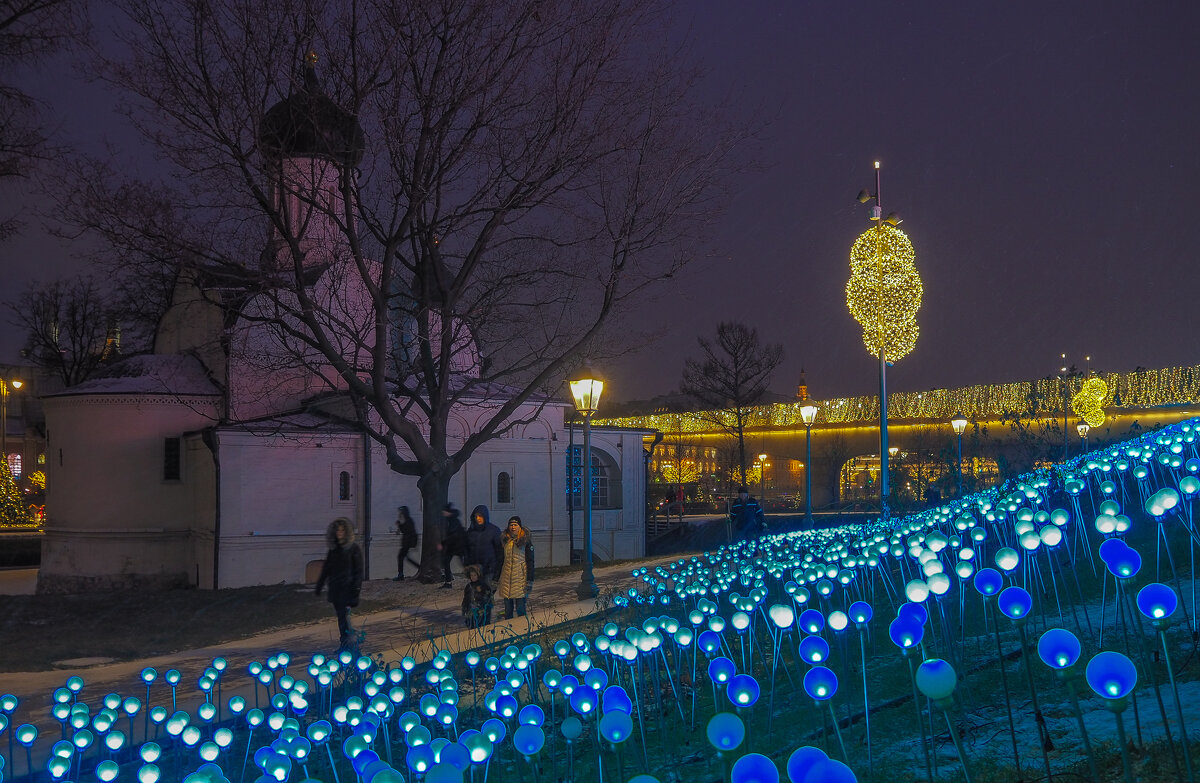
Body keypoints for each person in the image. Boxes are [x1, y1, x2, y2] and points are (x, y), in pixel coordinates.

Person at [314, 517, 364, 650]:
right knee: (342, 618)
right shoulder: (333, 550)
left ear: (346, 532)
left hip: (348, 589)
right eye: (338, 530)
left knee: (344, 617)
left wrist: (356, 587)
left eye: (342, 530)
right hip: (336, 589)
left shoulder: (353, 549)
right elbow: (327, 569)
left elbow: (358, 570)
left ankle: (349, 644)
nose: (340, 533)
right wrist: (319, 585)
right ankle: (348, 642)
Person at [497, 516, 535, 619]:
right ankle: (508, 629)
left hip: (520, 579)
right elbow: (501, 560)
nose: (513, 527)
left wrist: (530, 580)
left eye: (515, 525)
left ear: (519, 526)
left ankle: (522, 629)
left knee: (520, 608)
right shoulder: (505, 541)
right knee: (508, 609)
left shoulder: (525, 542)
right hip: (507, 580)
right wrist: (496, 578)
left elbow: (530, 561)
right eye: (511, 525)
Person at [464, 504, 503, 581]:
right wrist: (467, 564)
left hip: (489, 569)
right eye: (476, 516)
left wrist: (497, 571)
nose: (478, 518)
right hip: (474, 570)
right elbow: (466, 549)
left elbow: (499, 552)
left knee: (487, 591)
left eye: (480, 516)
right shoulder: (471, 532)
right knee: (475, 591)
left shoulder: (494, 530)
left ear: (485, 516)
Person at [438, 503, 467, 589]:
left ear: (448, 512)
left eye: (444, 512)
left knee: (465, 565)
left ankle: (476, 579)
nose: (443, 513)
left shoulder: (453, 521)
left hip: (458, 546)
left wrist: (443, 543)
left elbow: (452, 535)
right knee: (446, 562)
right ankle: (448, 582)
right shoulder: (450, 520)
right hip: (453, 546)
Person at [461, 563, 494, 628]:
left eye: (474, 575)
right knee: (472, 626)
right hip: (471, 611)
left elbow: (489, 598)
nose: (473, 577)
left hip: (481, 611)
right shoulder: (468, 586)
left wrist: (482, 605)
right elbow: (466, 598)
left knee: (482, 625)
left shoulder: (483, 585)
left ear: (478, 575)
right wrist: (464, 607)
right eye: (471, 575)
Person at [393, 505, 419, 581]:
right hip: (407, 542)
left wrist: (399, 525)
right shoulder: (407, 520)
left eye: (401, 512)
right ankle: (419, 568)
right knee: (406, 558)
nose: (400, 513)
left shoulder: (408, 520)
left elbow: (405, 530)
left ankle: (401, 574)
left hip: (407, 543)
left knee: (401, 557)